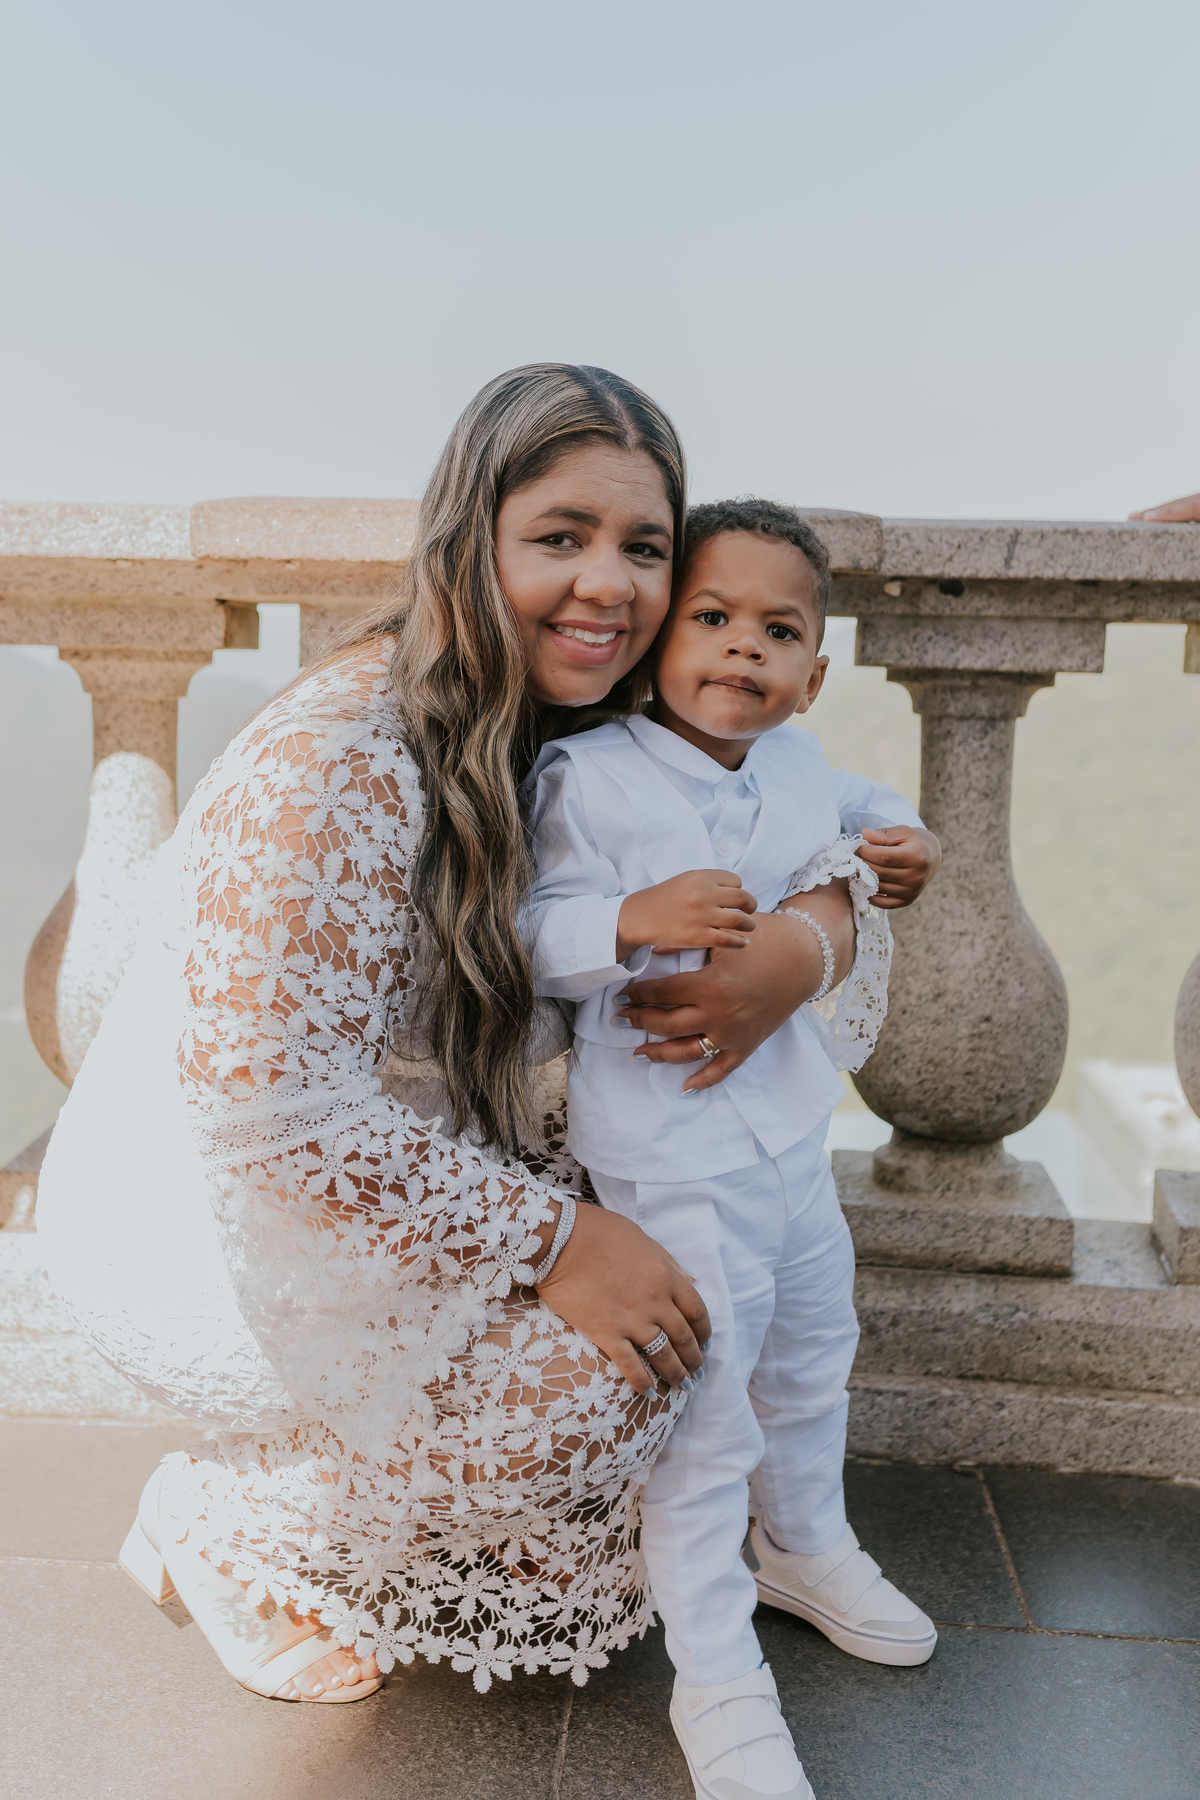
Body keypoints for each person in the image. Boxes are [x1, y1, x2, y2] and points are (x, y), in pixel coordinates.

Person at [36, 365, 861, 1711]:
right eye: (561, 537)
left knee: (719, 1252)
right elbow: (270, 1113)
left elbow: (816, 827)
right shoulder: (342, 757)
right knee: (617, 1377)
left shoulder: (601, 717)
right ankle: (231, 1522)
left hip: (424, 1158)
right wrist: (560, 1244)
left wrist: (806, 943)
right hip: (233, 1214)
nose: (609, 584)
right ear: (469, 539)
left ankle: (458, 1508)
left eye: (645, 547)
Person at [526, 499, 942, 1800]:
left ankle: (805, 1544)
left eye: (780, 631)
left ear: (812, 674)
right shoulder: (587, 778)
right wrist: (626, 916)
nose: (744, 648)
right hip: (671, 1150)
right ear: (659, 637)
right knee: (707, 1413)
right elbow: (527, 932)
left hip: (789, 1129)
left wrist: (905, 844)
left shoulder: (800, 762)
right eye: (712, 617)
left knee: (816, 1348)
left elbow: (866, 807)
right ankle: (715, 1674)